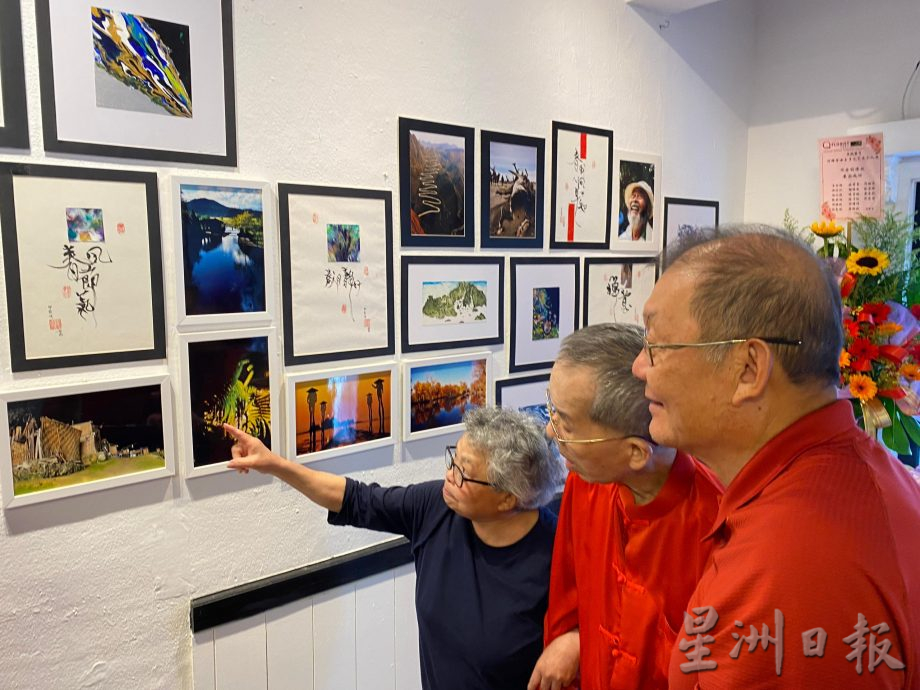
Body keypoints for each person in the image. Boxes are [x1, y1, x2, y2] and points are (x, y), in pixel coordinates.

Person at [632, 225, 920, 688]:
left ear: (748, 369)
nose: (639, 366)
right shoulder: (837, 480)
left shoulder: (794, 571)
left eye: (657, 345)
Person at [224, 406, 565, 690]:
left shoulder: (556, 554)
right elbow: (355, 498)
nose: (450, 475)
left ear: (508, 498)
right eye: (453, 460)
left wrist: (573, 641)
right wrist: (275, 465)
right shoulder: (436, 507)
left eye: (464, 473)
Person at [528, 323, 723, 690]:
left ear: (635, 452)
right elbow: (567, 600)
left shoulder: (719, 526)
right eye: (552, 411)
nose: (552, 433)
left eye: (565, 422)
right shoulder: (585, 484)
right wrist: (573, 637)